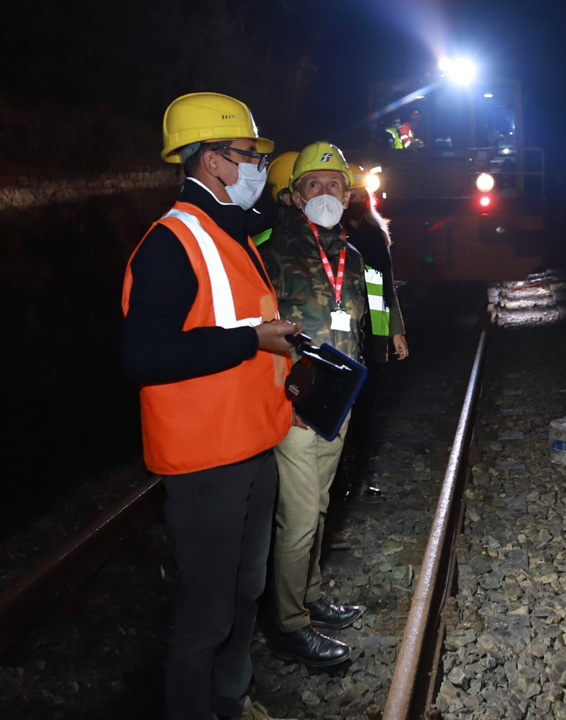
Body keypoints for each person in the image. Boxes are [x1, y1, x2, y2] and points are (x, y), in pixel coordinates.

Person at [121, 92, 298, 720]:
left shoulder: (231, 234)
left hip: (252, 445)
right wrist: (253, 339)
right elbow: (144, 357)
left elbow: (246, 334)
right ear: (215, 161)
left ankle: (230, 699)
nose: (257, 165)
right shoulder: (171, 243)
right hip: (204, 461)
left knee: (245, 591)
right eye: (248, 154)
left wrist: (288, 394)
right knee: (207, 609)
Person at [259, 141, 368, 667]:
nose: (325, 192)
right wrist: (287, 397)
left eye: (334, 185)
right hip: (297, 406)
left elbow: (367, 316)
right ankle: (288, 623)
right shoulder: (273, 252)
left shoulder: (353, 254)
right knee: (299, 518)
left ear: (347, 196)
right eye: (313, 185)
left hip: (336, 404)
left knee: (320, 508)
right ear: (295, 195)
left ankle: (310, 595)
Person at [340, 163, 408, 503]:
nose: (353, 197)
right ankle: (341, 481)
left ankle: (361, 478)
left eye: (357, 192)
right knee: (342, 409)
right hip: (341, 332)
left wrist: (395, 331)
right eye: (348, 191)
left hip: (373, 331)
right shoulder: (329, 232)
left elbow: (386, 285)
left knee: (367, 410)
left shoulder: (375, 234)